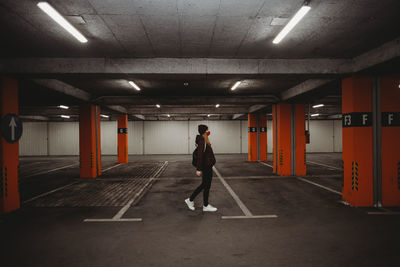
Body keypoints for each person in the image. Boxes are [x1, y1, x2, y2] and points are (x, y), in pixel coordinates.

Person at [185, 124, 217, 212]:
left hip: (208, 165)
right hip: (206, 166)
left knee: (206, 185)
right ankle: (193, 200)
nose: (208, 131)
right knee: (205, 185)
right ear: (204, 131)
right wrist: (198, 169)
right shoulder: (202, 140)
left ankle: (201, 203)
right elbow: (200, 155)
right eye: (207, 130)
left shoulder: (205, 139)